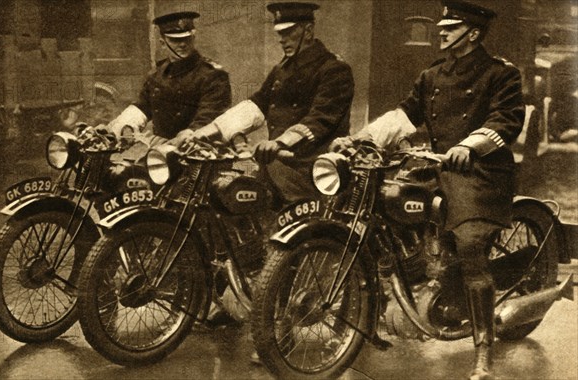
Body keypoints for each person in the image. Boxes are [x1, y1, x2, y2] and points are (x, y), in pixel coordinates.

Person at [332, 2, 524, 379]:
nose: (441, 31)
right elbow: (404, 114)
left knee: (469, 244)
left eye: (450, 27)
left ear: (472, 33)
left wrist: (470, 146)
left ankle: (483, 350)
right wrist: (360, 138)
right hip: (436, 167)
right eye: (442, 26)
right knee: (387, 207)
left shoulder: (500, 74)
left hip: (480, 173)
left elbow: (507, 119)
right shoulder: (433, 74)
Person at [174, 2, 355, 203]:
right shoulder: (282, 70)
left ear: (309, 30)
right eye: (280, 33)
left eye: (288, 32)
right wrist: (200, 134)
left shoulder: (334, 69)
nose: (282, 39)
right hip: (276, 167)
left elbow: (319, 119)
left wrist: (279, 143)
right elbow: (255, 105)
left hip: (315, 174)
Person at [105, 11, 231, 150]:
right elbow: (142, 107)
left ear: (193, 38)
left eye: (187, 39)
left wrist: (187, 137)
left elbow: (209, 117)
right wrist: (126, 126)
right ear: (163, 43)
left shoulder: (213, 75)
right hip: (161, 152)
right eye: (175, 40)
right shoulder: (157, 74)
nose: (182, 44)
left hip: (200, 151)